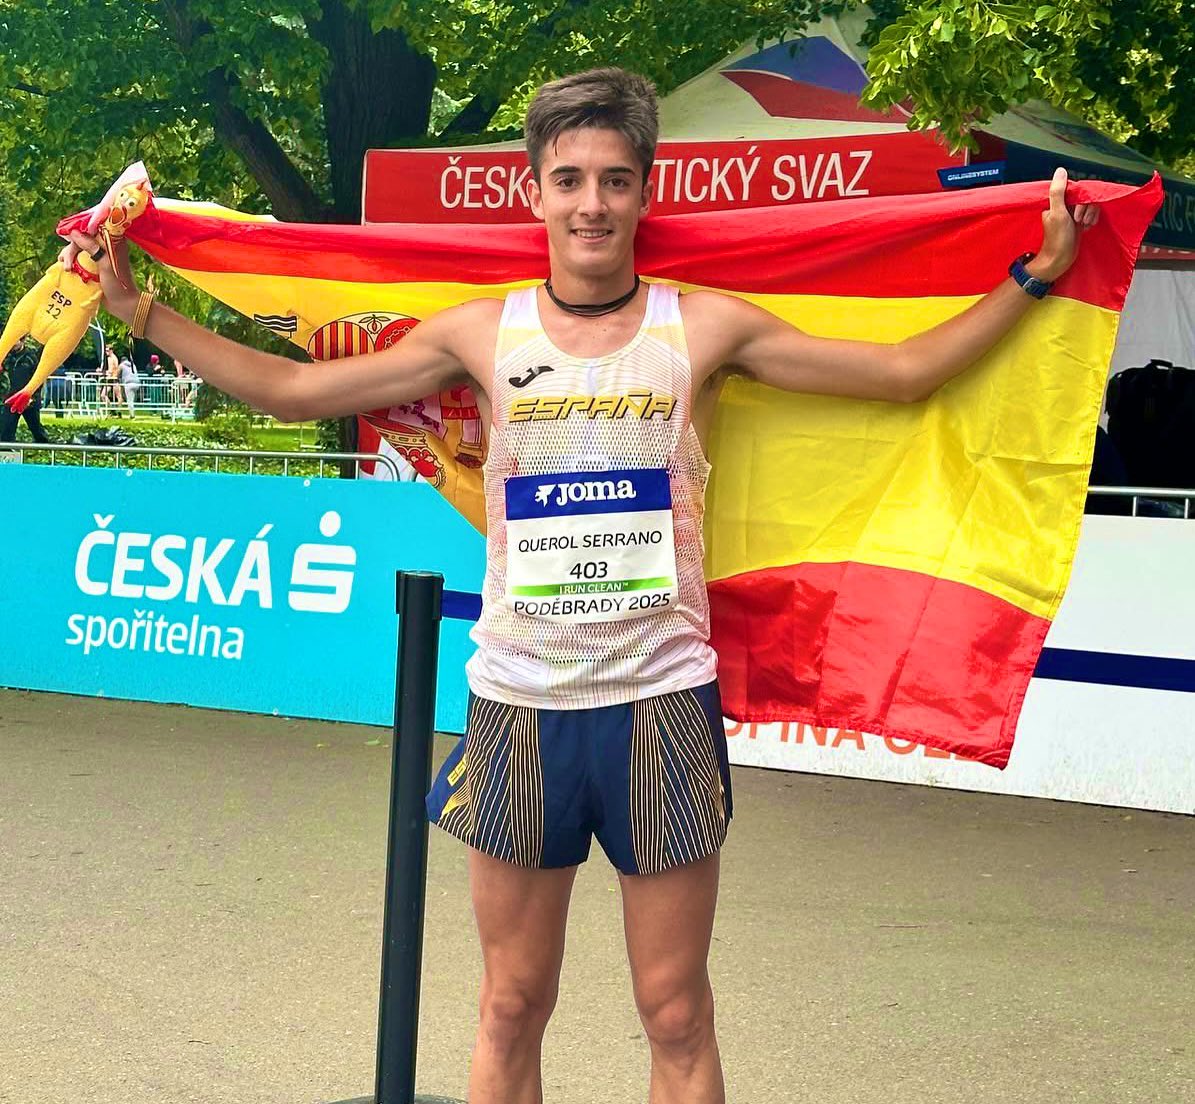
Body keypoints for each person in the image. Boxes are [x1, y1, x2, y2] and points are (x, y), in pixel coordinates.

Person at [64, 68, 1097, 1104]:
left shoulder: (704, 330)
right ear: (534, 194)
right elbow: (294, 393)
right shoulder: (480, 333)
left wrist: (1035, 277)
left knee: (677, 1014)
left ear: (645, 192)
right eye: (568, 180)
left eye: (612, 179)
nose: (591, 203)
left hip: (661, 707)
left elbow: (904, 376)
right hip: (520, 708)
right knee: (511, 1007)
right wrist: (140, 311)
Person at [0, 337, 50, 443]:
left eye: (15, 342)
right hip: (12, 398)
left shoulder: (31, 357)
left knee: (36, 428)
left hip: (29, 398)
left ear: (22, 341)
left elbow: (39, 379)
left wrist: (33, 397)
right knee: (6, 429)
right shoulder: (6, 356)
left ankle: (46, 447)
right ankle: (7, 453)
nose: (13, 345)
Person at [118, 351, 139, 417]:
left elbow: (118, 374)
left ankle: (132, 415)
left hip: (129, 383)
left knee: (129, 400)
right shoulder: (133, 365)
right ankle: (132, 412)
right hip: (137, 383)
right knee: (132, 399)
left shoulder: (121, 365)